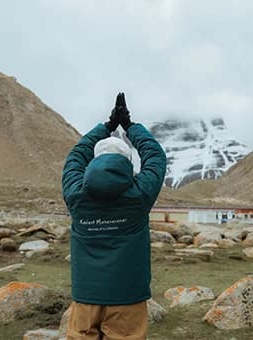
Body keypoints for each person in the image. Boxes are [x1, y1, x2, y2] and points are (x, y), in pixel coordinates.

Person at [62, 92, 167, 339]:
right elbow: (156, 157)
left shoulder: (76, 194)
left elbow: (76, 156)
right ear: (128, 163)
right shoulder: (139, 195)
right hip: (128, 296)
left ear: (93, 162)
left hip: (85, 296)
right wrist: (130, 126)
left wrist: (106, 127)